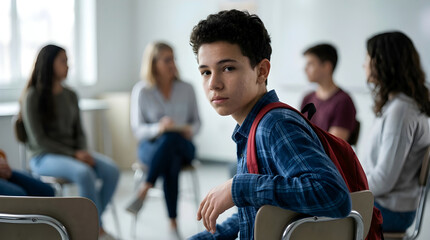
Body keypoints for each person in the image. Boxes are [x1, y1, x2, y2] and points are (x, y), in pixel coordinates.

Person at [188, 10, 353, 240]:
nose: (213, 84)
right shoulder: (253, 127)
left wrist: (239, 187)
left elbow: (334, 196)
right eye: (206, 72)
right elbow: (256, 214)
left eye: (227, 68)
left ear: (262, 71)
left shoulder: (273, 126)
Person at [20, 44, 120, 240]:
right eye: (63, 61)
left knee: (111, 170)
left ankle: (90, 224)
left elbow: (79, 132)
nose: (68, 66)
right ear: (50, 64)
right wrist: (74, 155)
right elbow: (40, 140)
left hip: (74, 154)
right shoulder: (32, 97)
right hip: (43, 156)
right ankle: (94, 229)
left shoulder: (71, 95)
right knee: (84, 173)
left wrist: (82, 151)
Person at [126, 42, 201, 237]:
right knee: (171, 157)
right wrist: (158, 128)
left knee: (172, 139)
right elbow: (138, 130)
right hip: (151, 147)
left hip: (184, 145)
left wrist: (187, 130)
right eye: (167, 59)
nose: (172, 63)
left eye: (173, 58)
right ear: (153, 63)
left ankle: (145, 187)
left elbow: (197, 123)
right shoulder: (142, 91)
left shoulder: (187, 88)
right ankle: (173, 223)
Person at [362, 31, 430, 232]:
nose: (364, 64)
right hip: (385, 205)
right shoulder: (397, 106)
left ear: (384, 62)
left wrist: (349, 189)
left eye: (368, 57)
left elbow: (383, 180)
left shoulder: (401, 111)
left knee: (315, 214)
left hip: (388, 210)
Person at [300, 43, 357, 143]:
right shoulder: (307, 98)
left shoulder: (343, 101)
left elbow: (333, 145)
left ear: (327, 66)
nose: (305, 69)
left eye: (310, 64)